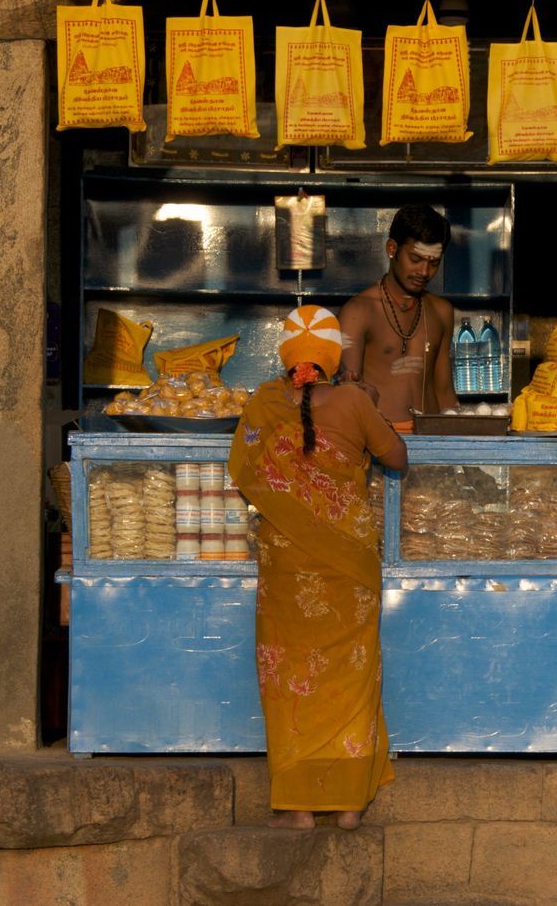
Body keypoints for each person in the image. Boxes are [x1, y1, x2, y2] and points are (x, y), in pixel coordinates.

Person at [228, 305, 408, 830]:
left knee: (290, 682)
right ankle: (350, 806)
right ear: (333, 357)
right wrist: (368, 406)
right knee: (350, 681)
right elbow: (397, 457)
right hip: (350, 569)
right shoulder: (353, 400)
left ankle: (300, 808)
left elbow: (242, 471)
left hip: (286, 569)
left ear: (286, 356)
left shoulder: (263, 403)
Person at [338, 204, 461, 431]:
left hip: (433, 443)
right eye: (415, 259)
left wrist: (458, 453)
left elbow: (444, 392)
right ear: (392, 249)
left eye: (433, 263)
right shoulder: (358, 311)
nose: (424, 272)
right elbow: (350, 394)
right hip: (379, 443)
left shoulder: (442, 311)